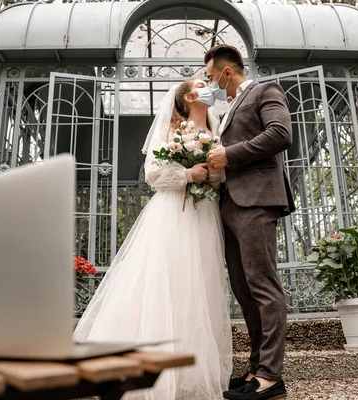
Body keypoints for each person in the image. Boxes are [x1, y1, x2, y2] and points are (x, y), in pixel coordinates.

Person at [73, 78, 232, 400]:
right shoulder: (174, 129)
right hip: (173, 212)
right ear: (189, 96)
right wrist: (189, 174)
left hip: (205, 213)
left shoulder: (219, 128)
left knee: (199, 285)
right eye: (202, 84)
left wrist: (212, 173)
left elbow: (221, 176)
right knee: (167, 281)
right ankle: (150, 371)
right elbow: (153, 174)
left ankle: (191, 371)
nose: (210, 87)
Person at [206, 44, 295, 400]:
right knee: (244, 292)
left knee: (263, 286)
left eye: (212, 77)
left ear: (228, 72)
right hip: (229, 204)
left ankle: (271, 378)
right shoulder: (226, 110)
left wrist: (229, 154)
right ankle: (256, 370)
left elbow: (280, 134)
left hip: (257, 200)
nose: (210, 84)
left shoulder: (265, 90)